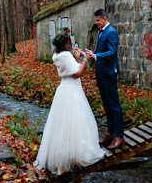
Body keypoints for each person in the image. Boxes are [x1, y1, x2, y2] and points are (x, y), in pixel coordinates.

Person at [33, 27, 106, 175]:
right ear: (66, 41)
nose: (72, 39)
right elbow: (77, 73)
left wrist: (76, 56)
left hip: (63, 89)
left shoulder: (57, 55)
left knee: (62, 125)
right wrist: (85, 59)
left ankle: (62, 155)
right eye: (70, 38)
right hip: (72, 90)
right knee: (76, 122)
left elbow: (69, 68)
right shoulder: (66, 55)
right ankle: (76, 155)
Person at [89, 9, 124, 150]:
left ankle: (119, 136)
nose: (96, 23)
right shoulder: (100, 32)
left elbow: (112, 52)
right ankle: (110, 133)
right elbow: (99, 50)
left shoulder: (111, 32)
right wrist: (88, 53)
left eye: (98, 20)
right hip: (101, 74)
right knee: (106, 105)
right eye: (96, 20)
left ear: (104, 19)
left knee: (114, 105)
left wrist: (96, 56)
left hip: (109, 73)